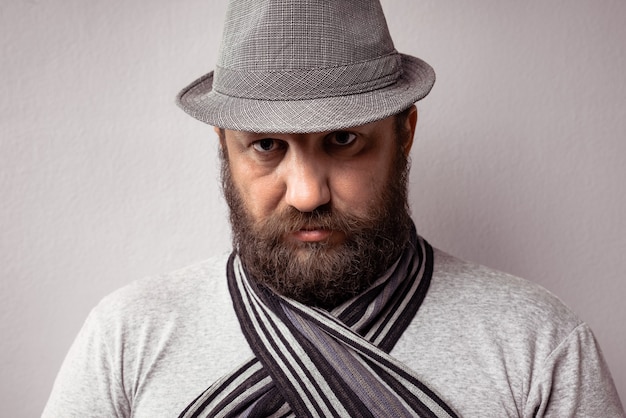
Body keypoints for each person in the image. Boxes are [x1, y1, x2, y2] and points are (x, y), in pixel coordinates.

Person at [43, 0, 624, 417]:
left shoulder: (541, 346)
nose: (307, 194)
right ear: (224, 145)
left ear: (406, 132)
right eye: (266, 145)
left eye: (343, 140)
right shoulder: (125, 338)